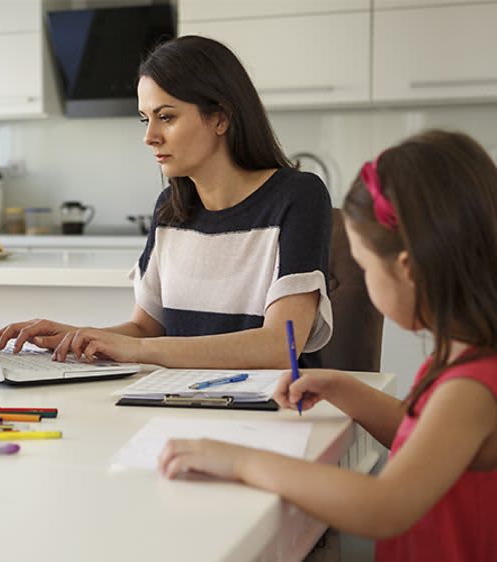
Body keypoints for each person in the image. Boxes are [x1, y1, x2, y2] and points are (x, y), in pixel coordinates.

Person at [159, 130, 497, 562]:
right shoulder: (465, 355)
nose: (365, 284)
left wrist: (241, 462)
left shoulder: (470, 386)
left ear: (407, 269)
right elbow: (425, 442)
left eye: (366, 267)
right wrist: (344, 388)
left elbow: (385, 506)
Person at [0, 35, 332, 369]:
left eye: (166, 117)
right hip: (184, 400)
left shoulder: (298, 196)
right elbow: (145, 329)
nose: (149, 136)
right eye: (145, 118)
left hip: (275, 408)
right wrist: (76, 336)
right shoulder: (171, 208)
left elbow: (279, 346)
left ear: (220, 118)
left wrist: (138, 348)